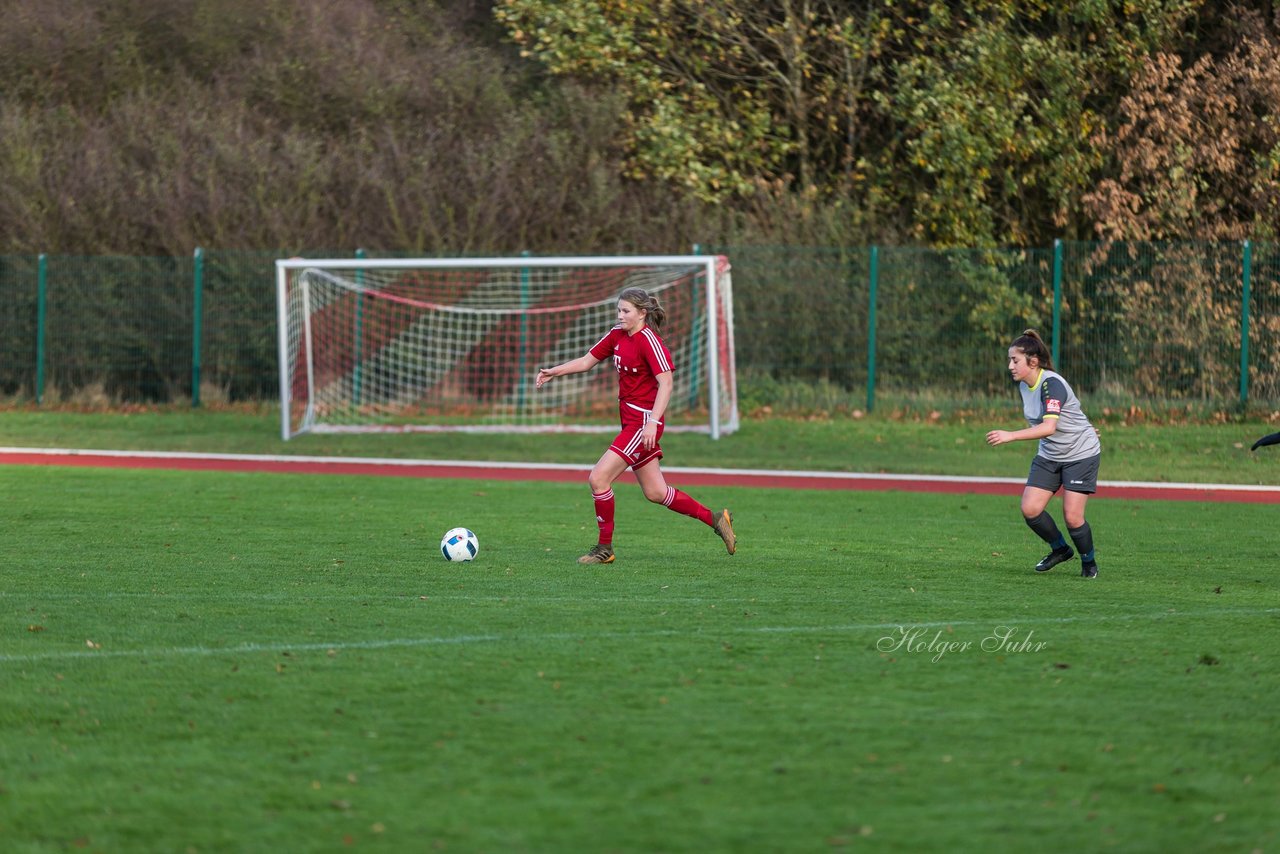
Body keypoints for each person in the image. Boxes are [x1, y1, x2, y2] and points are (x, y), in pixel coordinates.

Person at [535, 287, 736, 565]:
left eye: (626, 311)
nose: (620, 316)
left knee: (598, 478)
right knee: (656, 492)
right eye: (619, 310)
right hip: (631, 421)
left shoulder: (648, 341)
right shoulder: (617, 335)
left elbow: (666, 383)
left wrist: (653, 422)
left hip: (642, 423)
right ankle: (715, 519)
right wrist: (553, 371)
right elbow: (586, 361)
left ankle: (604, 549)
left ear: (642, 313)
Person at [985, 329, 1101, 578]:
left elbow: (1049, 426)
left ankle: (1089, 563)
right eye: (1010, 360)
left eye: (1015, 360)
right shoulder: (1026, 386)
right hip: (1050, 453)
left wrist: (1010, 435)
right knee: (1030, 509)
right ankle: (1060, 549)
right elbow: (1064, 415)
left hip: (1080, 454)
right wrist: (1083, 426)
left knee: (1072, 516)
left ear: (1033, 361)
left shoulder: (1051, 384)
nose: (1010, 366)